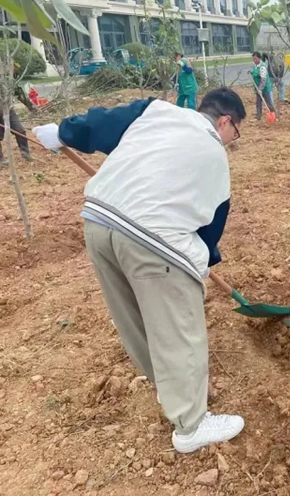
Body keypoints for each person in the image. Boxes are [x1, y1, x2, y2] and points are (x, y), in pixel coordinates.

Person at [32, 88, 247, 454]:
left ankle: (168, 388)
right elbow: (209, 230)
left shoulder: (157, 112)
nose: (232, 140)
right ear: (225, 120)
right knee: (179, 329)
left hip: (99, 223)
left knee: (134, 319)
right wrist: (199, 266)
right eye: (236, 132)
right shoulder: (214, 154)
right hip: (151, 241)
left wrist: (64, 133)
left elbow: (102, 123)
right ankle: (191, 426)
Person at [252, 51, 276, 121]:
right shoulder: (255, 65)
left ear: (259, 58)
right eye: (253, 59)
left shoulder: (262, 67)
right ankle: (258, 117)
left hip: (265, 88)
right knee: (258, 103)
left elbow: (263, 80)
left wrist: (260, 89)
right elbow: (255, 73)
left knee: (269, 103)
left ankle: (273, 117)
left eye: (255, 59)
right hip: (258, 88)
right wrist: (251, 72)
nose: (254, 60)